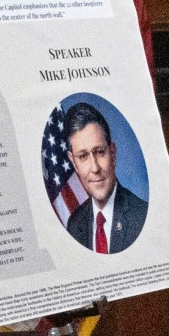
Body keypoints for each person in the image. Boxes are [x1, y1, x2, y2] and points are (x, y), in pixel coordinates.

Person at [60, 103, 146, 253]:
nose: (95, 168)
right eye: (83, 156)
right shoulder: (74, 224)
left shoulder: (141, 218)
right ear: (74, 162)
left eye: (99, 152)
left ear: (112, 153)